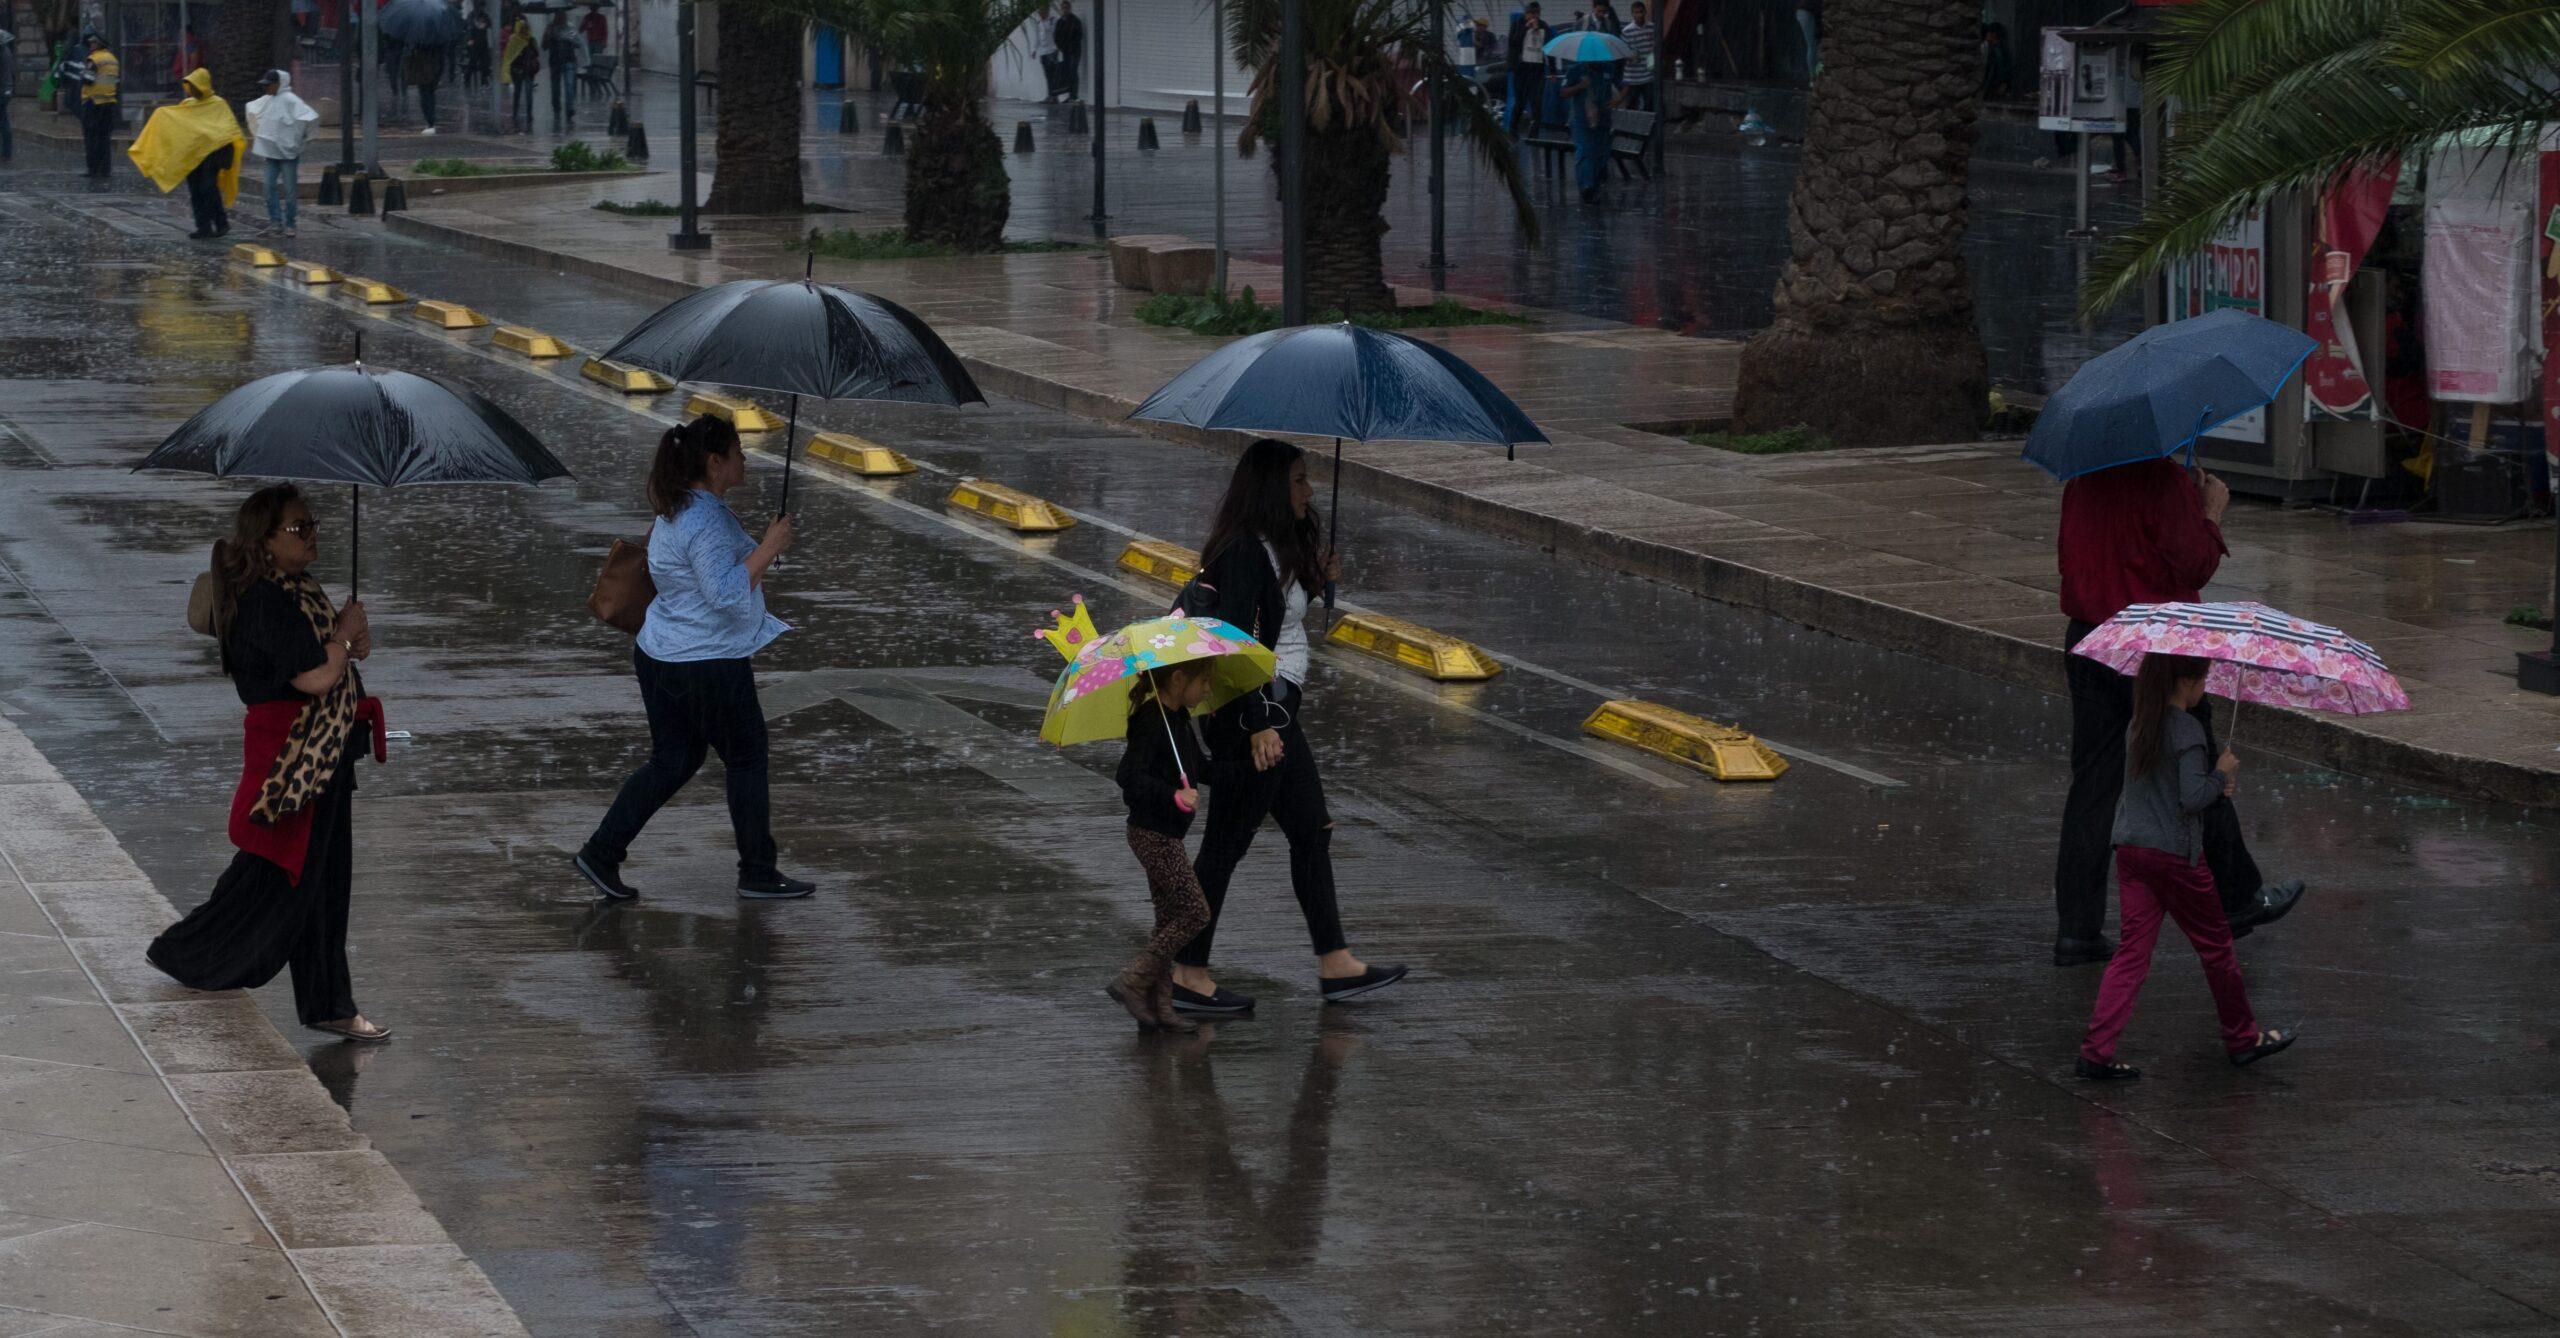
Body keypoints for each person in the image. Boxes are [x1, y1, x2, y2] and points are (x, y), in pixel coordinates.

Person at [1170, 440, 1407, 1015]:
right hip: (1254, 718)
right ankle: (1186, 972)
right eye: (1299, 480)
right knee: (1224, 847)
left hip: (1277, 713)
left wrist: (1318, 578)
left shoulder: (1274, 545)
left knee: (1311, 830)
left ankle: (1336, 964)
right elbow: (1234, 644)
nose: (1309, 490)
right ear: (1272, 489)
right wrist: (1257, 725)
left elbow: (1278, 618)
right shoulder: (1243, 551)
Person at [148, 486, 390, 1043]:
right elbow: (315, 676)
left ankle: (328, 1002)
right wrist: (343, 640)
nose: (312, 536)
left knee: (322, 882)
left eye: (313, 524)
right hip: (294, 758)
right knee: (276, 875)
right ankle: (184, 952)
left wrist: (352, 634)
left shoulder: (299, 589)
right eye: (299, 528)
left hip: (325, 752)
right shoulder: (263, 600)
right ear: (265, 539)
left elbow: (342, 656)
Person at [2052, 458, 2305, 966]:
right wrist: (2209, 511)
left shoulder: (2084, 475)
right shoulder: (2161, 478)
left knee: (2093, 788)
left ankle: (2077, 929)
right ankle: (2239, 898)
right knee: (2196, 765)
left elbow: (2070, 557)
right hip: (2157, 643)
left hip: (2092, 638)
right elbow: (2194, 565)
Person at [575, 416, 813, 903]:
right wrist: (769, 546)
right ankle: (758, 872)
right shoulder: (706, 520)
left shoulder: (680, 506)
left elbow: (716, 572)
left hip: (660, 654)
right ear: (715, 461)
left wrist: (765, 550)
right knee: (746, 758)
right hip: (706, 662)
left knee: (674, 759)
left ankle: (601, 852)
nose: (745, 459)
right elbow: (724, 593)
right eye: (738, 452)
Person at [2074, 653, 2296, 1081]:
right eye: (2203, 680)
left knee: (2131, 955)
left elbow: (2159, 787)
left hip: (2132, 849)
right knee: (2217, 948)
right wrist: (2220, 774)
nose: (2204, 688)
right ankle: (2242, 1038)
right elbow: (2191, 799)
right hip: (2174, 856)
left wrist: (2214, 784)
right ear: (2187, 682)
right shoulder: (2187, 730)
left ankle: (2096, 1051)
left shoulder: (2140, 722)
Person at [1106, 661, 1217, 1033]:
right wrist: (1173, 795)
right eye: (1204, 680)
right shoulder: (1152, 720)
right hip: (1153, 834)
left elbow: (1201, 767)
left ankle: (1158, 1005)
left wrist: (1249, 769)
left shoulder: (1179, 719)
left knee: (1169, 920)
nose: (1208, 689)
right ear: (1178, 678)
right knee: (1194, 913)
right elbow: (1128, 775)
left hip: (1166, 834)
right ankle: (1133, 979)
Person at [128, 67, 244, 239]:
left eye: (195, 85)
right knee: (196, 191)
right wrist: (161, 115)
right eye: (190, 85)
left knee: (209, 188)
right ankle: (203, 227)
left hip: (212, 156)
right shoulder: (188, 105)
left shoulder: (218, 104)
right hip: (192, 156)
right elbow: (179, 125)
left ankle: (221, 223)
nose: (192, 89)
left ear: (203, 85)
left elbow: (228, 130)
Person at [246, 70, 318, 238]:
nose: (266, 88)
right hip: (273, 154)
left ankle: (289, 224)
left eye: (269, 84)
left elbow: (309, 118)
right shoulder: (268, 100)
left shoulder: (291, 101)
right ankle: (276, 223)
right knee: (269, 187)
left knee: (289, 190)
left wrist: (298, 141)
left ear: (278, 84)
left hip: (288, 155)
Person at [1560, 55, 1614, 204]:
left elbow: (1620, 86)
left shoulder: (1608, 69)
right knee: (1585, 150)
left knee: (1600, 154)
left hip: (1603, 120)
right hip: (1582, 120)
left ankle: (1595, 184)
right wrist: (1580, 86)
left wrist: (1617, 99)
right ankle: (1586, 186)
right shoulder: (1575, 70)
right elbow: (1563, 92)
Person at [78, 32, 119, 179]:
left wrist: (82, 74)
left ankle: (93, 169)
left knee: (91, 137)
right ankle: (105, 169)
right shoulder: (113, 59)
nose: (91, 45)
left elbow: (88, 79)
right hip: (109, 102)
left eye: (93, 43)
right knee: (104, 137)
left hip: (93, 102)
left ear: (99, 44)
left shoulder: (94, 59)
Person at [1507, 3, 1549, 132]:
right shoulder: (1517, 24)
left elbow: (1549, 46)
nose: (1536, 16)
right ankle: (1513, 128)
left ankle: (1535, 131)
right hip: (1521, 69)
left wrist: (1551, 69)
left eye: (1538, 13)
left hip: (1537, 69)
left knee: (1536, 101)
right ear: (1527, 14)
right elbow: (1513, 42)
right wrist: (1526, 28)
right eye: (1533, 13)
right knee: (1521, 101)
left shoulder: (1543, 26)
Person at [1618, 1, 1657, 112]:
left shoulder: (1652, 27)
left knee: (1649, 106)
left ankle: (1648, 124)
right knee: (1631, 107)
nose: (1639, 15)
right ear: (1632, 14)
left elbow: (1654, 49)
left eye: (1641, 12)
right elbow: (1622, 52)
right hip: (1632, 77)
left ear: (1645, 12)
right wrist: (1631, 57)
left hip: (1648, 75)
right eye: (1636, 12)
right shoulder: (1626, 31)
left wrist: (1652, 65)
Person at [502, 18, 537, 131]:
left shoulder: (531, 40)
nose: (524, 30)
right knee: (518, 91)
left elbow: (536, 53)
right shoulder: (514, 39)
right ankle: (516, 113)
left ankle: (528, 114)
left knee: (527, 93)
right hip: (518, 69)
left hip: (528, 70)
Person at [543, 15, 577, 129]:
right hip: (555, 61)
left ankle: (569, 109)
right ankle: (556, 109)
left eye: (563, 15)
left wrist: (570, 39)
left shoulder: (571, 27)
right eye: (559, 15)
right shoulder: (550, 27)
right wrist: (548, 34)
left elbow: (576, 42)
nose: (562, 17)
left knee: (569, 86)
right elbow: (544, 46)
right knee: (555, 88)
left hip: (569, 60)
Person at [403, 43, 443, 133]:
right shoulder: (438, 41)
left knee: (425, 95)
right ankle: (431, 121)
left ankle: (430, 122)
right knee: (430, 94)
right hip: (435, 67)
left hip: (423, 68)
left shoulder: (419, 41)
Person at [1051, 0, 1083, 102]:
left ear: (1070, 8)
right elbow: (1056, 37)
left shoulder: (1075, 21)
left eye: (1066, 8)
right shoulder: (1060, 22)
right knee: (1068, 72)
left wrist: (1070, 46)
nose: (1065, 10)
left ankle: (1074, 95)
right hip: (1066, 51)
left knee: (1073, 72)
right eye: (1063, 8)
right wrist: (1062, 47)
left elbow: (1078, 36)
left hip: (1074, 51)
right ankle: (1070, 95)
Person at [1032, 4, 1061, 102]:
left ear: (1047, 11)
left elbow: (1057, 34)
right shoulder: (1038, 23)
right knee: (1048, 75)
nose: (1041, 13)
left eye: (1043, 11)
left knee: (1054, 75)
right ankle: (1050, 95)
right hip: (1043, 51)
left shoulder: (1053, 20)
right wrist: (1034, 50)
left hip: (1052, 50)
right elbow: (1037, 37)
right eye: (1040, 12)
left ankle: (1054, 96)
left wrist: (1057, 47)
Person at [464, 4, 492, 88]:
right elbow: (469, 27)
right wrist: (470, 39)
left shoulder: (484, 15)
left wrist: (485, 24)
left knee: (484, 62)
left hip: (483, 42)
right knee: (473, 62)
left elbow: (489, 24)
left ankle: (484, 80)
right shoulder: (471, 15)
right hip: (475, 43)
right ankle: (467, 78)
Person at [0, 28, 16, 163]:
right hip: (6, 91)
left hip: (2, 91)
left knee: (4, 122)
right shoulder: (6, 51)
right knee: (4, 121)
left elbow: (5, 74)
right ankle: (6, 152)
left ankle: (6, 152)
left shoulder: (3, 53)